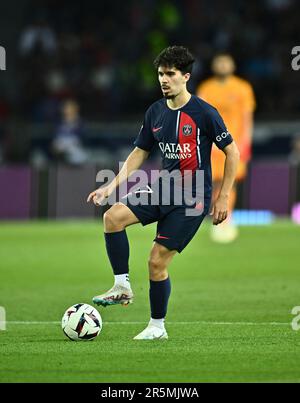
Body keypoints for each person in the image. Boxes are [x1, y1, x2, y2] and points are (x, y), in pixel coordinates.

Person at [87, 46, 240, 340]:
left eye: (170, 74)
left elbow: (231, 153)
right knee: (112, 217)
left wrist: (222, 197)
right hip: (163, 189)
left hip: (192, 199)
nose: (164, 80)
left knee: (157, 261)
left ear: (186, 77)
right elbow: (139, 152)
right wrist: (111, 185)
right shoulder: (155, 111)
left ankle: (157, 327)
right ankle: (122, 286)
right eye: (160, 74)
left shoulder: (204, 113)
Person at [197, 53, 256, 242]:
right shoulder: (206, 88)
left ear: (232, 65)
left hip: (234, 144)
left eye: (226, 62)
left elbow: (247, 117)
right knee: (215, 182)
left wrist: (246, 142)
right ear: (214, 66)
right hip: (213, 145)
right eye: (219, 62)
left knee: (231, 181)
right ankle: (220, 216)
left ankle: (225, 217)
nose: (222, 65)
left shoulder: (242, 88)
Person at [51, 99, 87, 165]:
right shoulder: (59, 122)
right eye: (65, 107)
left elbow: (81, 136)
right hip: (61, 145)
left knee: (79, 156)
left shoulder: (79, 121)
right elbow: (56, 136)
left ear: (75, 109)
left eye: (69, 108)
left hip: (75, 146)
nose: (66, 110)